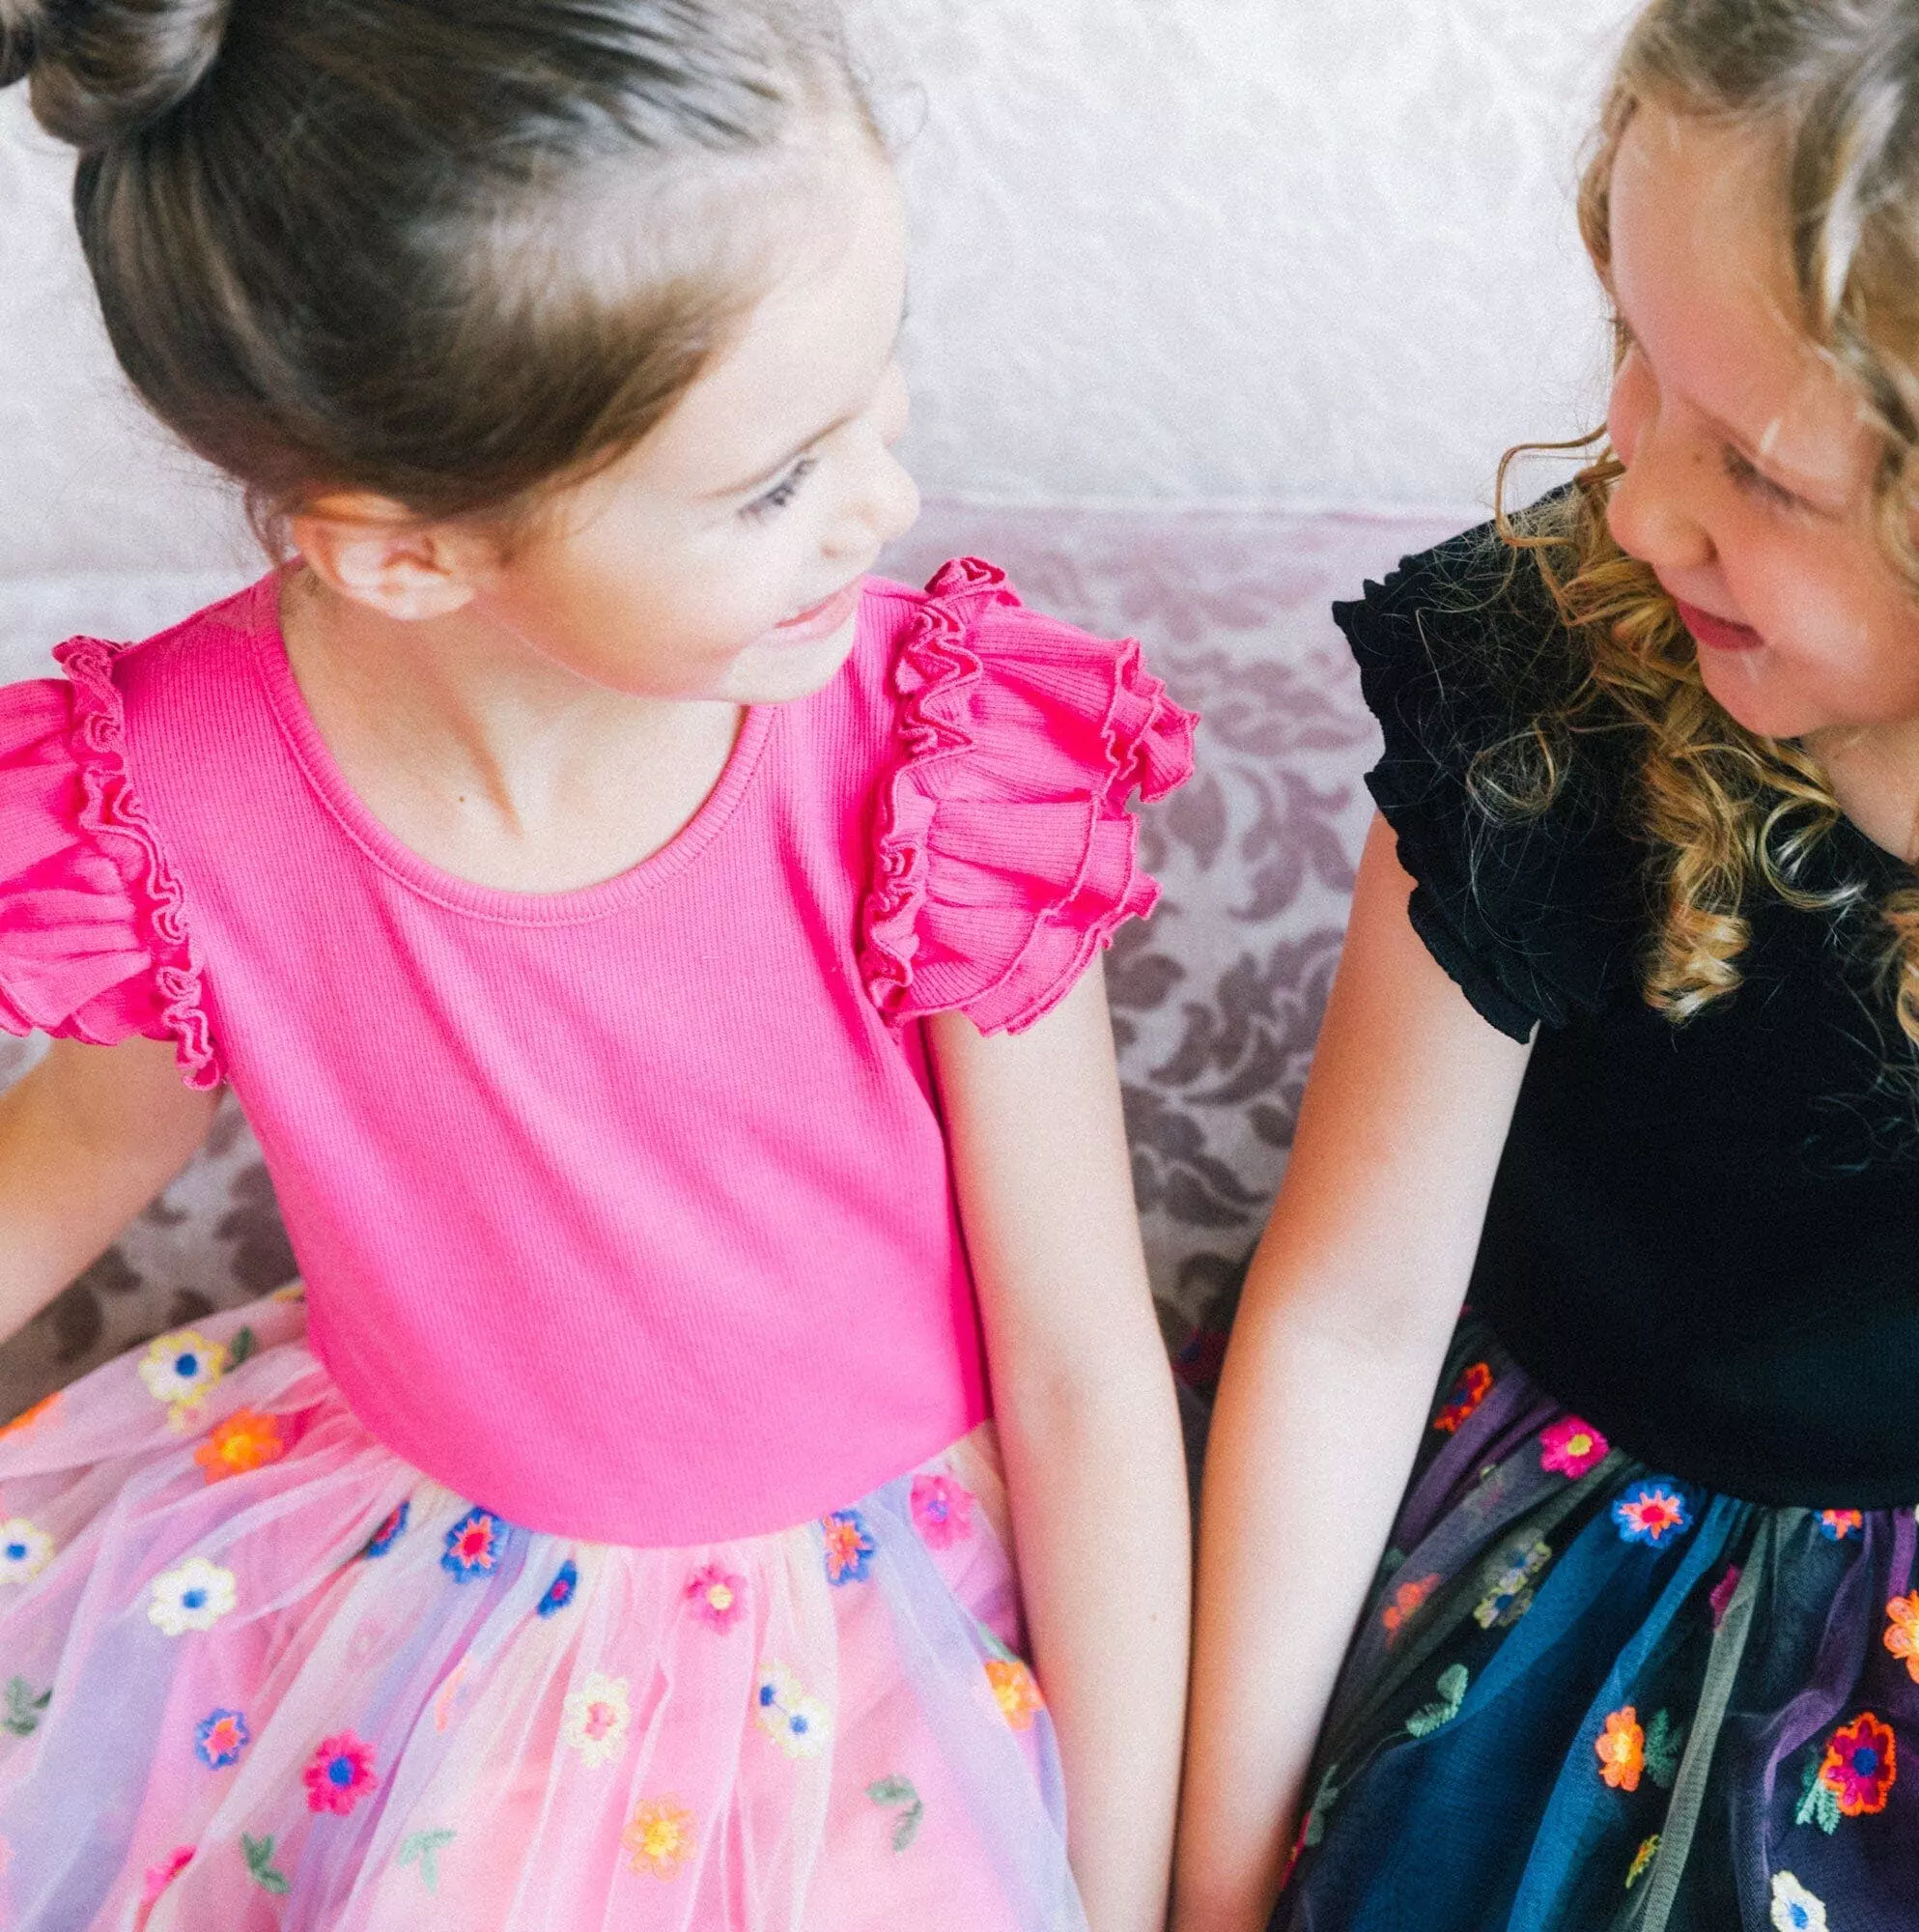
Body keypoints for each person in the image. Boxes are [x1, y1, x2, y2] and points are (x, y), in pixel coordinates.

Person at [0, 3, 1194, 1925]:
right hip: (414, 1646)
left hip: (878, 1662)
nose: (880, 506)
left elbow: (1079, 1371)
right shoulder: (179, 798)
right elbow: (56, 1166)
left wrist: (1133, 1892)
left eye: (872, 406)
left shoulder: (945, 752)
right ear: (400, 552)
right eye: (775, 484)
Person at [1177, 2, 1919, 1927]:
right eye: (1627, 356)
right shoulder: (1560, 665)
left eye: (1757, 469)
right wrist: (1204, 1888)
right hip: (1549, 1578)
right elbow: (1347, 1310)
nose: (1631, 500)